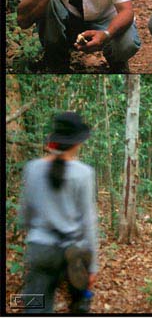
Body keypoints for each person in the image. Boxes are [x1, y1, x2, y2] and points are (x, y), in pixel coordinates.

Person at [18, 112, 98, 313]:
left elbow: (24, 214)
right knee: (80, 305)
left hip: (40, 249)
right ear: (77, 142)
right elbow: (88, 221)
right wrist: (93, 266)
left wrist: (35, 236)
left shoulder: (32, 168)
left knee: (35, 306)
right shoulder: (84, 173)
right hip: (74, 252)